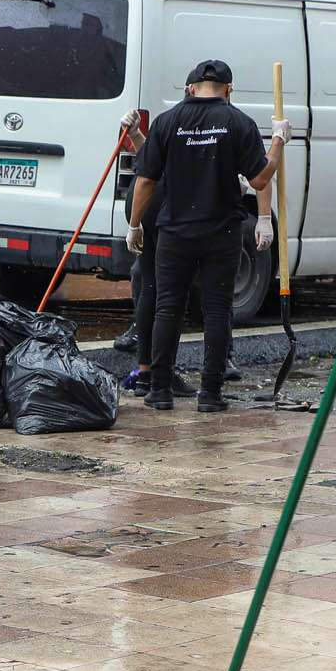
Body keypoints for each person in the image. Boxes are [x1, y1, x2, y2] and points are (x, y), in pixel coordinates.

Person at [125, 61, 288, 411]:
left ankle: (161, 390)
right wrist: (277, 141)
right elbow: (261, 179)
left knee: (168, 308)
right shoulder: (238, 122)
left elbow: (146, 179)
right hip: (222, 231)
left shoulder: (167, 122)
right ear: (228, 89)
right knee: (216, 311)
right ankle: (211, 395)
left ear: (190, 88)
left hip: (174, 232)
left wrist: (135, 224)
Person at [120, 175, 267, 391]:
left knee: (152, 285)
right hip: (179, 201)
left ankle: (148, 377)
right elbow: (262, 173)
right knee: (199, 297)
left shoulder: (166, 139)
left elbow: (147, 154)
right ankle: (205, 386)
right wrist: (277, 143)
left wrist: (134, 224)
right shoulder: (229, 138)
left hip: (144, 192)